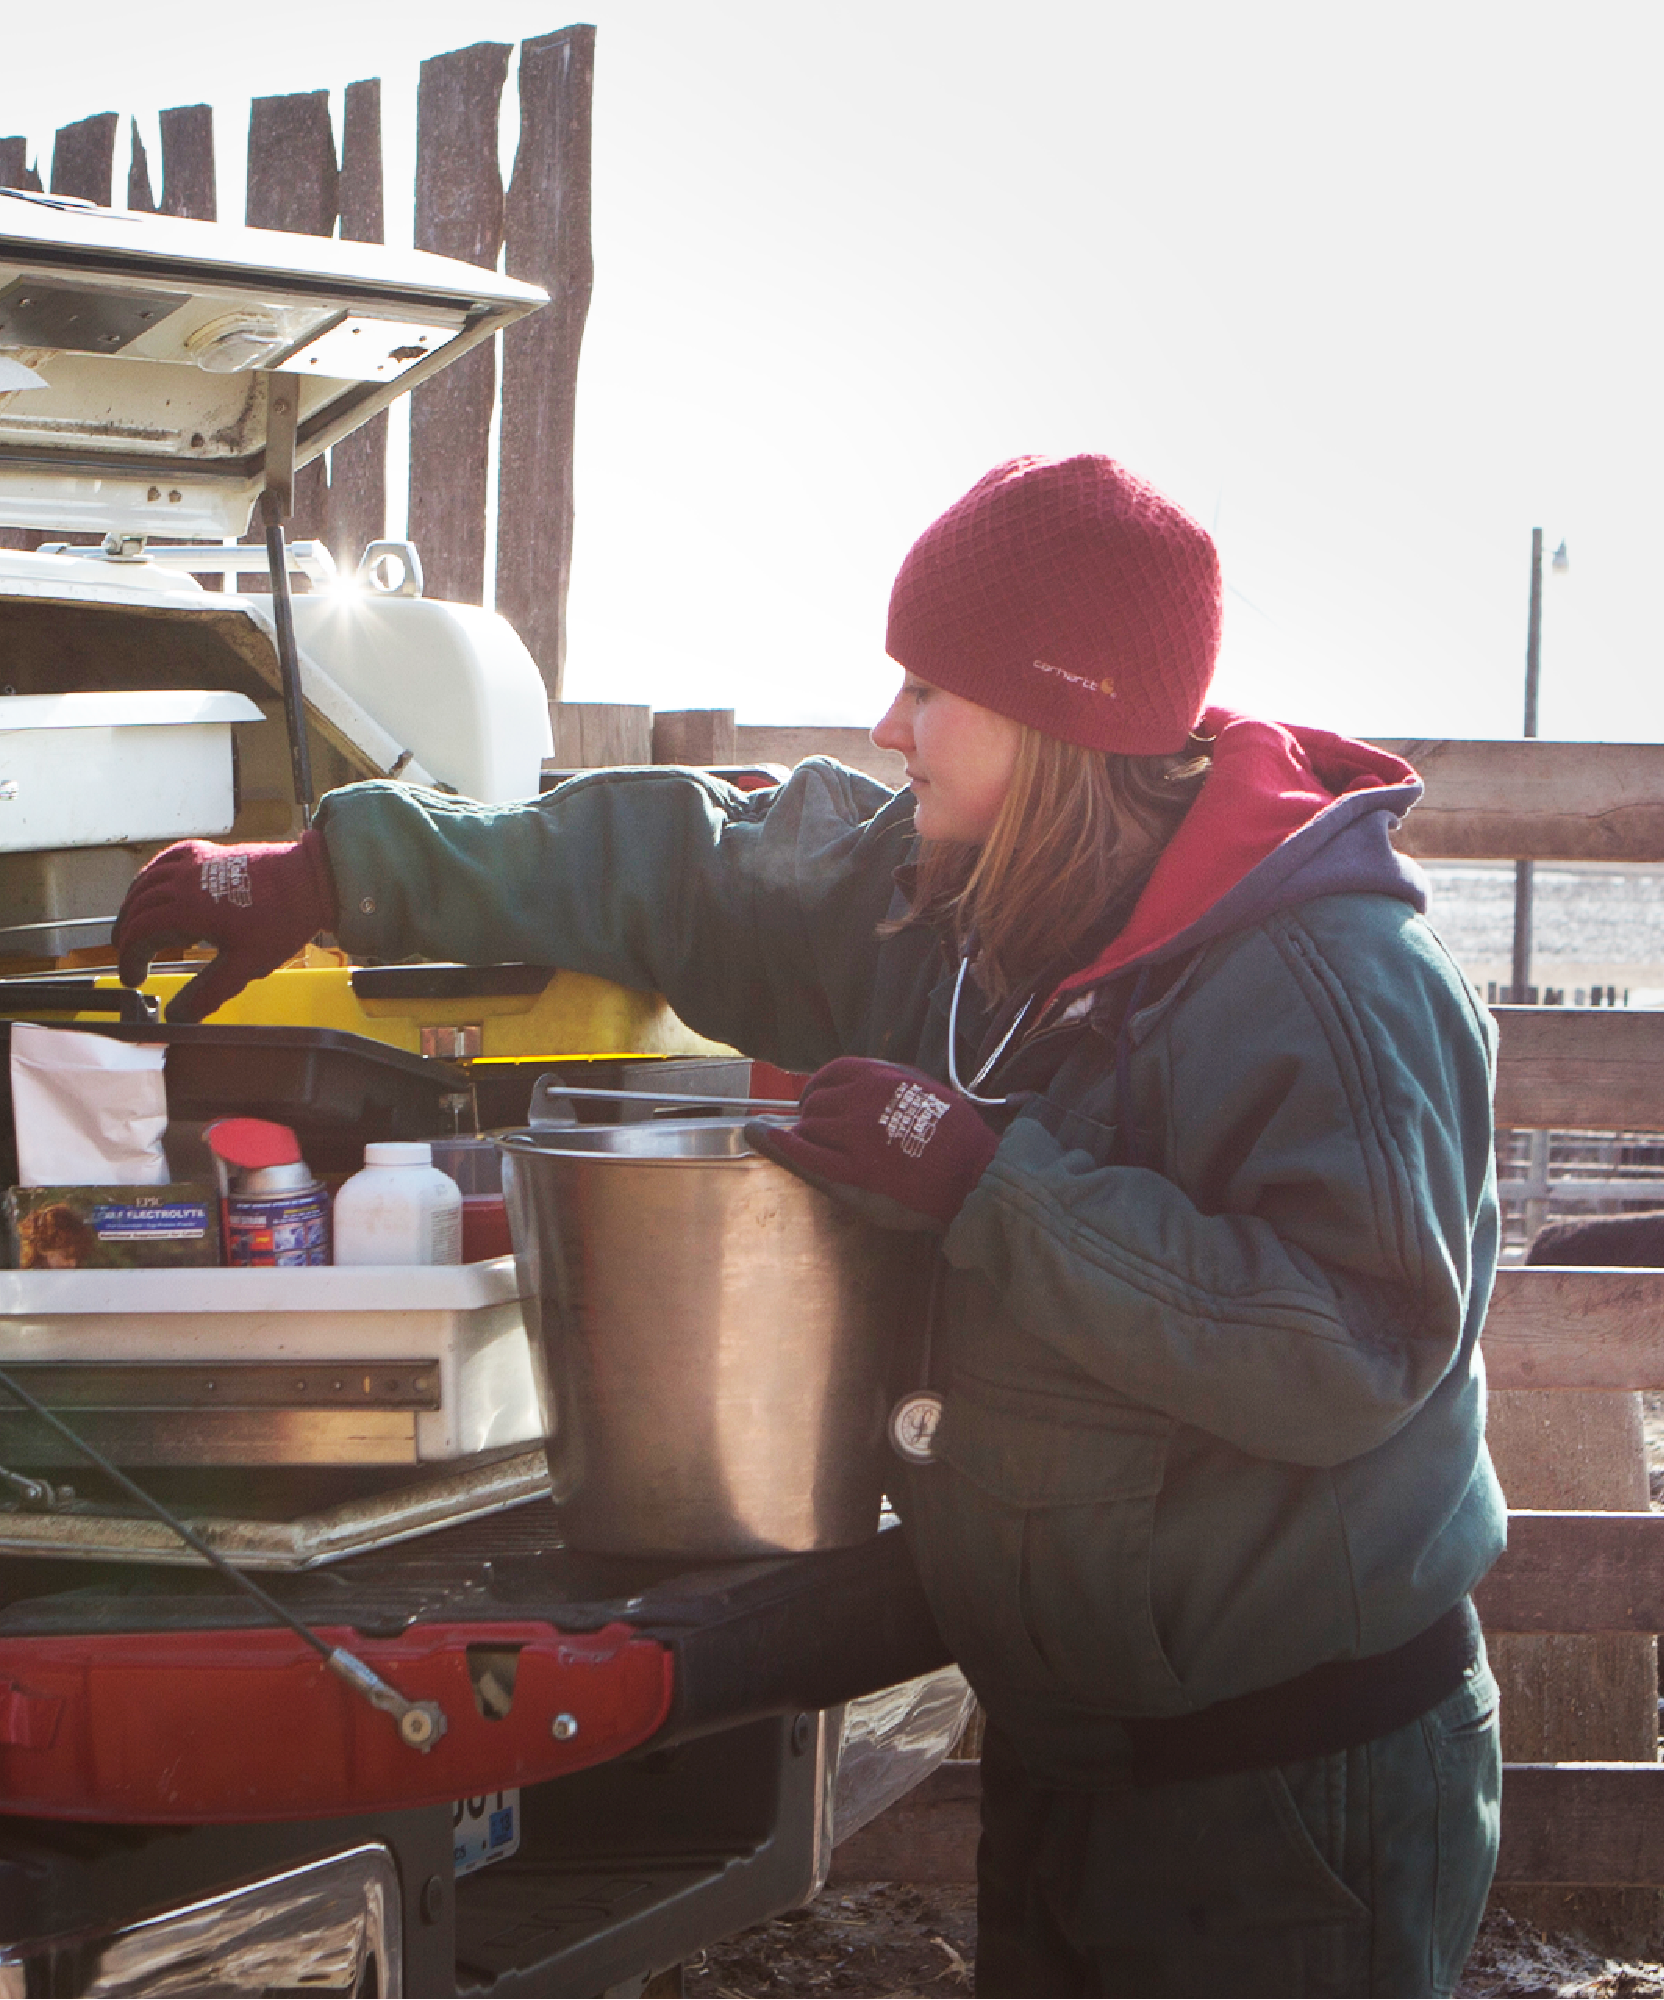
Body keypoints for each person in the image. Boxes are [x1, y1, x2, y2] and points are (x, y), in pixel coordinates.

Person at [114, 455, 1506, 1996]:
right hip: (1074, 1755)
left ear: (1061, 717)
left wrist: (993, 1185)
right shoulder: (940, 904)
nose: (887, 727)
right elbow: (686, 865)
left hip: (1291, 1787)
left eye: (930, 689)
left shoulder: (1330, 983)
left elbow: (1352, 1354)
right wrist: (326, 872)